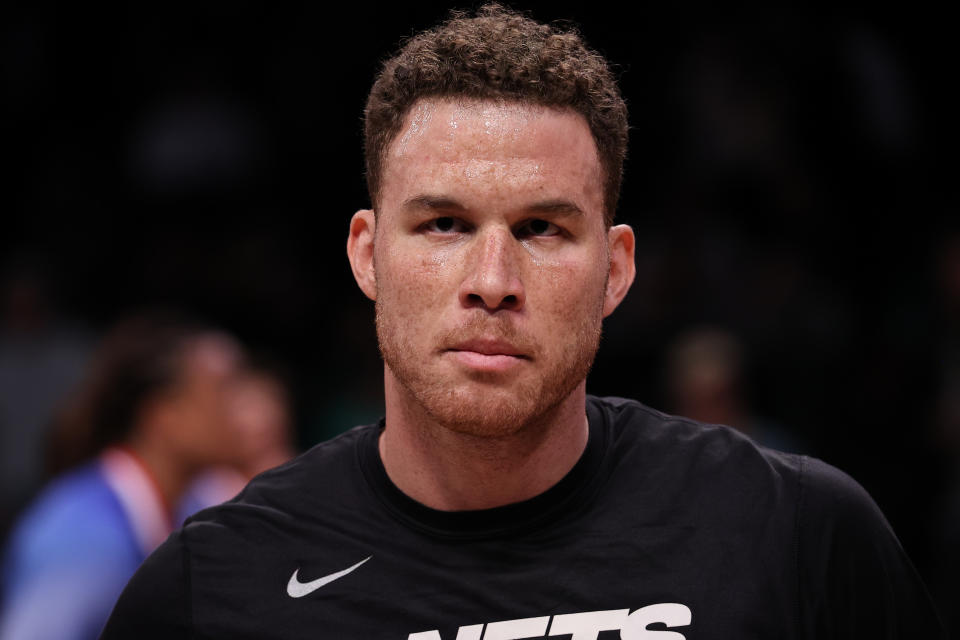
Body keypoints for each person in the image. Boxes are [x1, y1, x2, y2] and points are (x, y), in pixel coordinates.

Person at [102, 6, 944, 638]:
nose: (493, 282)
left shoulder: (794, 534)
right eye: (444, 225)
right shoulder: (208, 589)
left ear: (616, 270)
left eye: (542, 229)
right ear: (366, 256)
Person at [0, 311, 249, 640]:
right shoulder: (81, 538)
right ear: (163, 415)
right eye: (223, 390)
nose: (249, 409)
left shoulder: (196, 504)